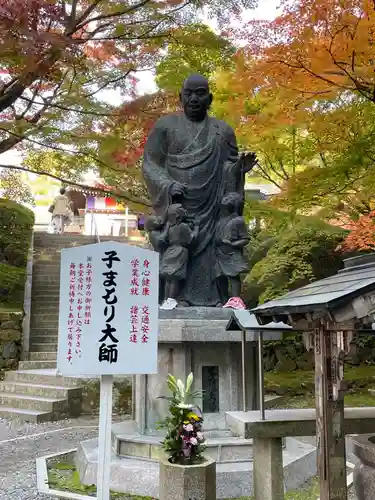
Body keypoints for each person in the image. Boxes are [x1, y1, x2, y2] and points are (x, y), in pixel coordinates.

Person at [142, 73, 256, 306]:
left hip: (213, 207)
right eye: (189, 93)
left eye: (200, 93)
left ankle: (220, 300)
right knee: (179, 251)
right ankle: (174, 299)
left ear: (210, 98)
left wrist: (238, 169)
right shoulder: (165, 127)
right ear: (180, 97)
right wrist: (168, 184)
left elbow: (228, 169)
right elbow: (150, 164)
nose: (194, 98)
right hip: (179, 206)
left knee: (216, 253)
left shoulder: (222, 131)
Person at [159, 204, 199, 309]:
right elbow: (192, 239)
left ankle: (166, 299)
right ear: (178, 215)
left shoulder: (170, 227)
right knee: (175, 277)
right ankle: (171, 299)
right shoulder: (183, 226)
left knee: (168, 277)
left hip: (170, 251)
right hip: (180, 251)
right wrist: (197, 228)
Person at [215, 192, 250, 303]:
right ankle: (224, 299)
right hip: (219, 252)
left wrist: (233, 244)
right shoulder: (220, 220)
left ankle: (236, 299)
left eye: (229, 199)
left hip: (232, 253)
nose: (226, 200)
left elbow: (245, 239)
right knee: (219, 277)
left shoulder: (238, 221)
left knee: (233, 276)